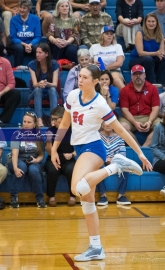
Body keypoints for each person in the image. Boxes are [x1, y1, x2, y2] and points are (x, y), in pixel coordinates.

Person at [51, 64, 152, 261]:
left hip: (94, 148)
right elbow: (64, 123)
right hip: (80, 148)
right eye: (79, 76)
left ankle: (116, 166)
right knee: (87, 201)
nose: (80, 80)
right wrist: (54, 148)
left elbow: (122, 130)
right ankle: (96, 247)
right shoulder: (73, 96)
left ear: (95, 81)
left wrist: (139, 153)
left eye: (85, 77)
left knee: (77, 188)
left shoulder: (100, 104)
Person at [8, 112, 47, 208]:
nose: (25, 124)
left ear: (34, 124)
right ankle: (13, 196)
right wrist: (15, 168)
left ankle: (40, 198)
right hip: (17, 160)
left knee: (34, 170)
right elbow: (14, 153)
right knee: (22, 167)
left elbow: (41, 154)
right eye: (24, 121)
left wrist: (36, 160)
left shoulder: (38, 136)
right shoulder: (17, 134)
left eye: (29, 122)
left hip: (33, 161)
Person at [119, 64, 161, 146]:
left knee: (161, 126)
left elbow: (155, 108)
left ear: (144, 75)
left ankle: (144, 148)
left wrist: (149, 122)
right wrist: (135, 122)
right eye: (135, 74)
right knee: (121, 126)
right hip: (131, 118)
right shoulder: (125, 90)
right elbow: (125, 110)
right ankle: (137, 148)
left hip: (149, 116)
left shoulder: (152, 88)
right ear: (131, 76)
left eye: (140, 73)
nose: (138, 76)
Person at [44, 106, 76, 207]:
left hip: (69, 159)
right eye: (52, 119)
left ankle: (73, 196)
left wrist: (72, 154)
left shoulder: (73, 130)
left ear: (63, 118)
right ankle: (51, 196)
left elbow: (79, 149)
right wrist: (49, 141)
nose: (53, 122)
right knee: (53, 170)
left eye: (55, 119)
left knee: (71, 169)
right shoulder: (51, 130)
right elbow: (49, 152)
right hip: (53, 159)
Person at [129, 13, 165, 86]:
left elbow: (162, 50)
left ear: (157, 23)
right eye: (149, 21)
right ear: (145, 22)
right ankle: (151, 84)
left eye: (153, 21)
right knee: (148, 59)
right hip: (137, 60)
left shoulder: (160, 34)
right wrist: (156, 53)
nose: (151, 23)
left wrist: (161, 54)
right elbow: (140, 53)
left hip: (152, 61)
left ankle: (162, 84)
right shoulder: (140, 33)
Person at [97, 122, 131, 206]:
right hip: (101, 161)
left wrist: (112, 159)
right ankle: (103, 196)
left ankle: (121, 196)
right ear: (102, 124)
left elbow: (123, 155)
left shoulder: (119, 137)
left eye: (110, 123)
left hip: (116, 161)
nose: (108, 125)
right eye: (105, 123)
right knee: (98, 166)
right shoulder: (97, 137)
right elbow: (95, 153)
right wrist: (104, 159)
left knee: (125, 166)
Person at [28, 43, 59, 127]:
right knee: (38, 89)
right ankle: (39, 119)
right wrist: (39, 84)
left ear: (46, 54)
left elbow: (55, 84)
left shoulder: (54, 64)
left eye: (40, 52)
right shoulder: (32, 64)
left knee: (52, 89)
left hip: (50, 91)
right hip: (35, 92)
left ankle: (53, 119)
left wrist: (46, 83)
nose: (37, 55)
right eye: (36, 52)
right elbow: (34, 84)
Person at [89, 25, 125, 91]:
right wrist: (94, 65)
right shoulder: (94, 47)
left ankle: (127, 97)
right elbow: (88, 63)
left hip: (114, 71)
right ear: (102, 35)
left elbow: (119, 63)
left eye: (111, 34)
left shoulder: (117, 46)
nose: (109, 35)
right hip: (98, 71)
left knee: (115, 78)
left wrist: (105, 68)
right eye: (107, 34)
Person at [9, 0, 41, 67]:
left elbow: (38, 36)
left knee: (37, 47)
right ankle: (18, 68)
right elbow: (13, 37)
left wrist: (30, 44)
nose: (21, 10)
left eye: (24, 8)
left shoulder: (35, 19)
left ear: (28, 9)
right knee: (19, 48)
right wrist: (24, 44)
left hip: (31, 43)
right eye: (20, 7)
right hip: (19, 43)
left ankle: (37, 68)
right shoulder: (13, 19)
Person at [0, 44, 21, 125]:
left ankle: (2, 120)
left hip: (3, 93)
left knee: (16, 93)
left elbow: (12, 83)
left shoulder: (5, 62)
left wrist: (1, 93)